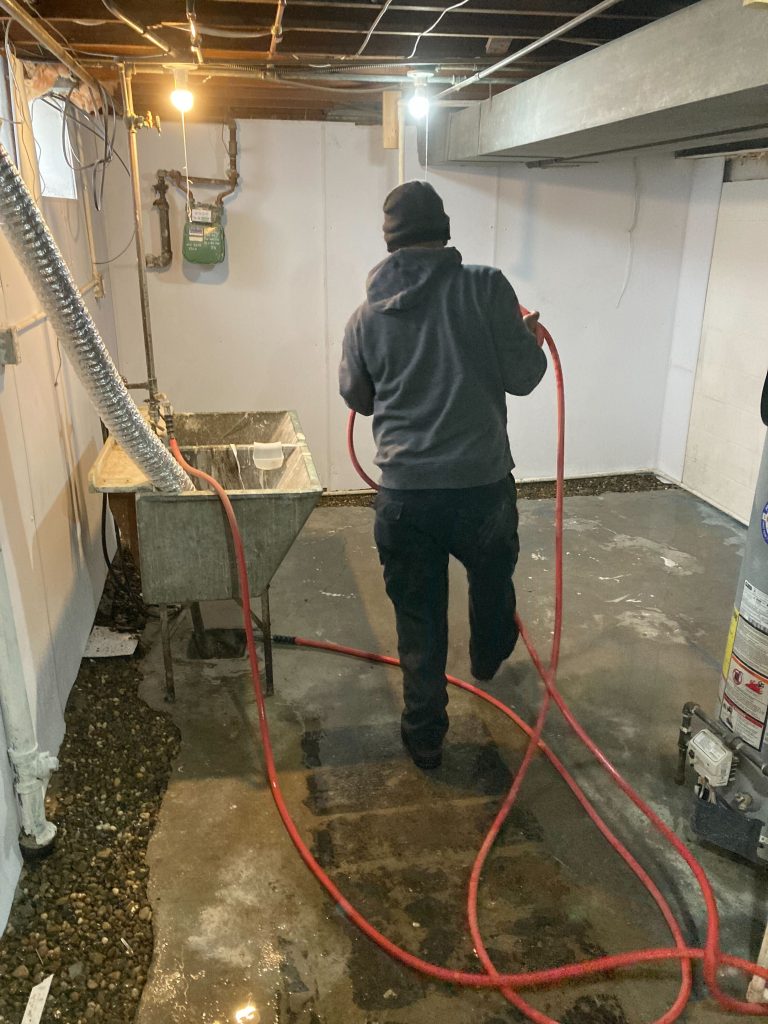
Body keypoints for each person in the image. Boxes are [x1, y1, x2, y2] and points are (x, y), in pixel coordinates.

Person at [339, 180, 547, 770]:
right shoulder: (487, 287)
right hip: (481, 490)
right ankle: (487, 658)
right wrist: (528, 337)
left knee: (419, 620)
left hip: (405, 498)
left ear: (390, 242)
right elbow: (526, 376)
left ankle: (425, 736)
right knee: (492, 583)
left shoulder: (363, 317)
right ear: (445, 231)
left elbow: (358, 396)